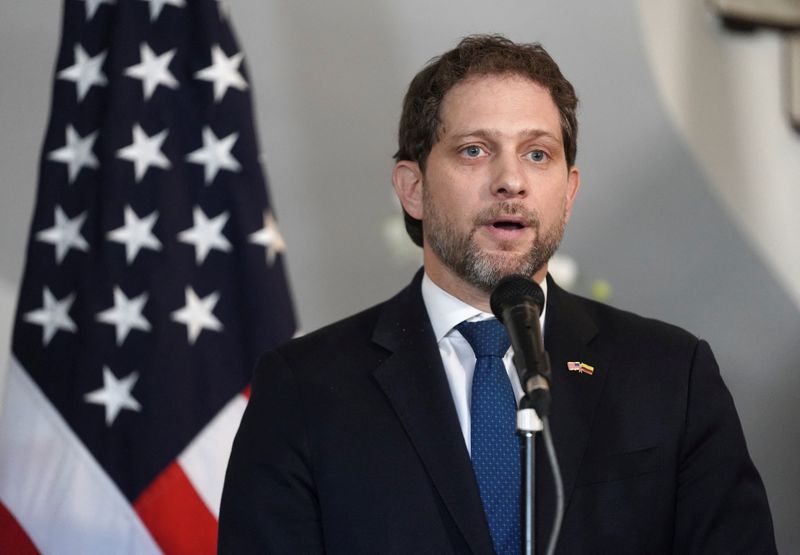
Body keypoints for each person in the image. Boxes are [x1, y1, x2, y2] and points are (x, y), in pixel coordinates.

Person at [218, 35, 776, 554]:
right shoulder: (303, 389)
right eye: (474, 151)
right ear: (413, 189)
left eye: (538, 154)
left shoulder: (670, 375)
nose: (512, 181)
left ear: (568, 191)